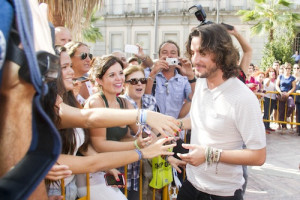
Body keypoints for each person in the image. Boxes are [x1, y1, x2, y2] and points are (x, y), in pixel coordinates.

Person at [44, 47, 178, 199]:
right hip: (58, 186)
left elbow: (85, 145)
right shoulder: (84, 103)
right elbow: (89, 120)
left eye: (121, 73)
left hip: (75, 181)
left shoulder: (70, 100)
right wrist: (141, 125)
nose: (72, 72)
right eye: (65, 67)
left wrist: (160, 144)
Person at [176, 24, 266, 200]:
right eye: (193, 53)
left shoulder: (243, 98)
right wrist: (175, 124)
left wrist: (210, 155)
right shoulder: (202, 82)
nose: (195, 60)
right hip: (191, 185)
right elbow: (199, 119)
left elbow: (258, 156)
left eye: (202, 53)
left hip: (223, 193)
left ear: (221, 52)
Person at [65, 41, 94, 106]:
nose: (88, 59)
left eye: (90, 56)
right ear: (69, 58)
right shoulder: (61, 84)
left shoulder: (93, 82)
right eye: (83, 56)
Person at [275, 62, 296, 133]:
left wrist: (288, 93)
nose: (287, 70)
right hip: (281, 94)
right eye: (286, 68)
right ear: (284, 69)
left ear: (290, 69)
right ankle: (283, 127)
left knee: (291, 105)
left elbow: (293, 87)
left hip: (289, 94)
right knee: (281, 110)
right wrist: (280, 92)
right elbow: (277, 85)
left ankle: (287, 116)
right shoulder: (280, 76)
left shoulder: (292, 78)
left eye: (289, 68)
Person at [263, 67, 278, 133]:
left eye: (273, 71)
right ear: (268, 72)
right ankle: (264, 127)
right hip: (267, 97)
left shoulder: (275, 80)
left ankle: (268, 126)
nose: (272, 73)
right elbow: (266, 85)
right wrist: (270, 78)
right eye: (271, 71)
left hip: (273, 98)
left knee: (270, 113)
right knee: (266, 113)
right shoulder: (266, 79)